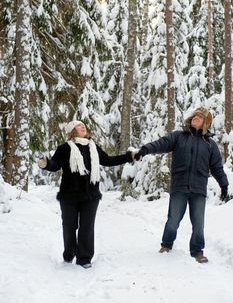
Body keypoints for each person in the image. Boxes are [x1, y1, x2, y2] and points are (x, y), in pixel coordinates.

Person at [134, 107, 229, 263]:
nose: (195, 118)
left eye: (200, 117)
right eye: (195, 116)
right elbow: (161, 143)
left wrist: (224, 185)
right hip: (180, 186)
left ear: (206, 123)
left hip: (198, 189)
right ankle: (166, 245)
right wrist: (144, 150)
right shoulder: (179, 136)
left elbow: (217, 168)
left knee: (198, 224)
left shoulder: (210, 145)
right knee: (173, 220)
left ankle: (197, 251)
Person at [38, 120, 133, 269]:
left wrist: (128, 157)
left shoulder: (93, 147)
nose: (83, 126)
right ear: (72, 131)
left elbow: (108, 160)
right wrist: (46, 164)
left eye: (83, 125)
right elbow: (55, 165)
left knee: (87, 227)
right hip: (69, 195)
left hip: (90, 195)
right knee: (69, 226)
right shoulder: (64, 148)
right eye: (79, 125)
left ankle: (84, 258)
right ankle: (69, 254)